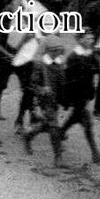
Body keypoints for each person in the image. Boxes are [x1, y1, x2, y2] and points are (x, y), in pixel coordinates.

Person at [58, 31, 100, 165]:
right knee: (85, 124)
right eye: (87, 38)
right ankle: (95, 154)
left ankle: (59, 133)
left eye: (92, 38)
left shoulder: (89, 54)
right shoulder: (74, 56)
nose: (91, 40)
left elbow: (97, 70)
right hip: (77, 95)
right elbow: (70, 79)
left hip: (84, 95)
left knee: (77, 120)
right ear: (80, 40)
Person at [22, 36, 68, 165]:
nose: (61, 52)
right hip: (44, 101)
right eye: (58, 50)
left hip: (55, 100)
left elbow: (62, 83)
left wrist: (64, 100)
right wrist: (42, 89)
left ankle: (29, 135)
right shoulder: (39, 65)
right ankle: (58, 157)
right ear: (51, 51)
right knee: (53, 126)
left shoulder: (59, 64)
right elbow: (32, 85)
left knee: (47, 125)